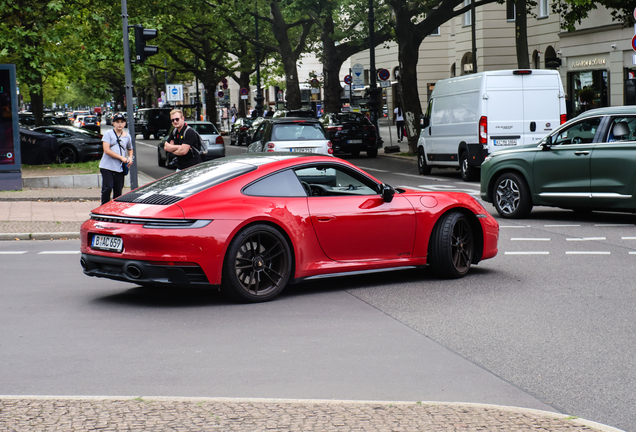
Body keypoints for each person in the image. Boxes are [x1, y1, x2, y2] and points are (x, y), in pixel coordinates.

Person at [99, 113, 133, 205]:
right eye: (117, 122)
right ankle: (104, 207)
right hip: (107, 167)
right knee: (107, 188)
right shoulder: (108, 134)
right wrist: (121, 157)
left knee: (118, 191)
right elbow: (106, 150)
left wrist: (130, 158)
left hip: (119, 168)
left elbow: (130, 148)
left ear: (125, 124)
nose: (120, 124)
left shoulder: (127, 136)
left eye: (122, 122)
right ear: (113, 123)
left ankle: (115, 208)